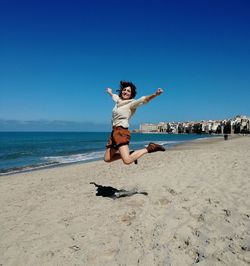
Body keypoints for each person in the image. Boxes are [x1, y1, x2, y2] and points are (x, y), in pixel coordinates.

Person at [104, 80, 165, 165]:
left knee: (127, 161)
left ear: (131, 94)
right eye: (124, 90)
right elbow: (114, 97)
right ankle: (131, 154)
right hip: (114, 132)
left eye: (128, 91)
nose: (125, 92)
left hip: (121, 132)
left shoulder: (132, 103)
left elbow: (143, 100)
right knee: (107, 158)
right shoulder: (119, 101)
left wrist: (155, 94)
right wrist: (110, 92)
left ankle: (151, 148)